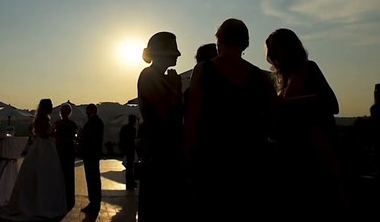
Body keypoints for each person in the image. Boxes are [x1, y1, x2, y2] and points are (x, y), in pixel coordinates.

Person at [183, 19, 276, 215]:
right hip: (251, 159)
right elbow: (273, 118)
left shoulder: (203, 70)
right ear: (246, 44)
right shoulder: (260, 77)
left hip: (212, 158)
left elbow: (193, 118)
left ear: (219, 41)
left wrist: (188, 160)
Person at [266, 28, 345, 216]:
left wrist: (285, 104)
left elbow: (331, 104)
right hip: (294, 151)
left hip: (317, 147)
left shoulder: (308, 68)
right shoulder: (283, 79)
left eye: (275, 50)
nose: (271, 56)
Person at [137, 32, 184, 221]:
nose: (177, 55)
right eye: (172, 50)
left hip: (164, 151)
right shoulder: (149, 76)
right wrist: (175, 89)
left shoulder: (157, 76)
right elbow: (164, 113)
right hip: (160, 152)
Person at [0, 98, 66, 220]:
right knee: (46, 175)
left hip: (39, 147)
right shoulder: (44, 119)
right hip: (45, 149)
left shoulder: (40, 118)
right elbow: (43, 134)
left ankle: (33, 203)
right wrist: (52, 134)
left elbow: (33, 130)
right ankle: (41, 205)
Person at [53, 104, 79, 210]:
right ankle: (69, 197)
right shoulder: (72, 124)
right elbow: (75, 136)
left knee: (60, 174)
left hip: (60, 151)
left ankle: (60, 196)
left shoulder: (57, 124)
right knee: (69, 175)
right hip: (69, 151)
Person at [81, 103, 104, 213]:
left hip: (90, 154)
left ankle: (94, 201)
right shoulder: (98, 122)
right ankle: (95, 200)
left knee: (91, 178)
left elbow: (89, 138)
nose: (86, 112)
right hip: (94, 154)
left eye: (87, 110)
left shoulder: (92, 123)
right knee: (94, 177)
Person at [118, 114, 138, 190]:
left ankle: (129, 182)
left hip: (126, 149)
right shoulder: (132, 129)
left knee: (129, 168)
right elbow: (133, 140)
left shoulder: (124, 128)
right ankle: (131, 182)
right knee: (130, 167)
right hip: (130, 149)